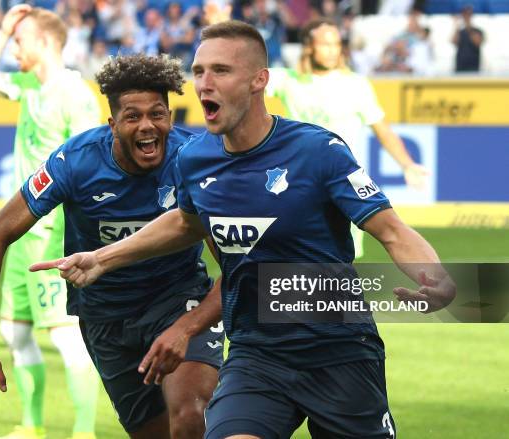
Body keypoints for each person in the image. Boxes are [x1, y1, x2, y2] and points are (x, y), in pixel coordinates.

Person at [32, 20, 456, 439]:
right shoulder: (194, 160)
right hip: (256, 354)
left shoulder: (318, 151)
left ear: (259, 80)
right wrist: (102, 259)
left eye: (221, 71)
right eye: (198, 72)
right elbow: (185, 222)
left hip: (339, 351)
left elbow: (391, 230)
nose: (204, 84)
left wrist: (433, 276)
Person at [0, 54, 224, 439]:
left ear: (170, 115)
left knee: (191, 417)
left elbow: (237, 266)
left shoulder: (196, 158)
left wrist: (188, 325)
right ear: (112, 124)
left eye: (158, 114)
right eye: (133, 117)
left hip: (178, 299)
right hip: (106, 319)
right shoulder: (75, 162)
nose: (148, 126)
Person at [0, 5, 102, 439]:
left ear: (44, 42)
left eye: (21, 40)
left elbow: (89, 164)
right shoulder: (27, 86)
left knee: (65, 337)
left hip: (54, 234)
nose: (15, 49)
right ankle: (32, 424)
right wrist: (4, 30)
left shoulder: (74, 93)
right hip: (21, 237)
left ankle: (84, 431)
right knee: (15, 333)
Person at [266, 18, 429, 258]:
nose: (332, 50)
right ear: (309, 47)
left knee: (342, 259)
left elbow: (382, 128)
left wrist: (407, 164)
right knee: (296, 258)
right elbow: (244, 75)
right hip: (300, 181)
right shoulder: (288, 80)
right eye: (325, 44)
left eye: (336, 44)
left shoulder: (356, 84)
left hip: (346, 183)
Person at [452, 4, 484, 73]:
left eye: (468, 14)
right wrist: (456, 26)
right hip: (460, 66)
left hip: (473, 66)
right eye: (465, 15)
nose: (466, 17)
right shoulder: (460, 31)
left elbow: (477, 42)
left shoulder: (478, 31)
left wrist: (468, 26)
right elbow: (453, 41)